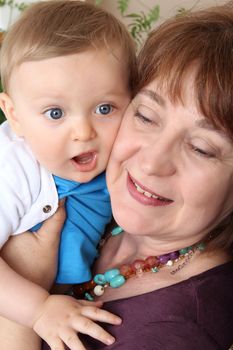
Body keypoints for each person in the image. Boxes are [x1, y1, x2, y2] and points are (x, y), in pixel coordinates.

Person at [43, 2, 233, 349]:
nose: (151, 163)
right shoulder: (87, 193)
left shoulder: (178, 329)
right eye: (146, 116)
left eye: (202, 148)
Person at [0, 0, 137, 349]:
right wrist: (37, 309)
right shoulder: (14, 170)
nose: (83, 131)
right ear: (14, 116)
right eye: (55, 112)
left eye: (104, 108)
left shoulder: (124, 161)